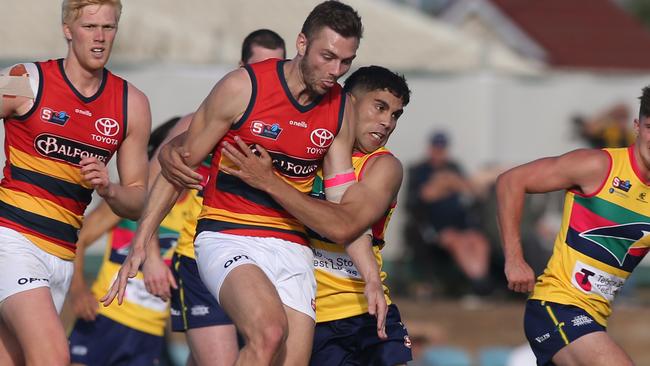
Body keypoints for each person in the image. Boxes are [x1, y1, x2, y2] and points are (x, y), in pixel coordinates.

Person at [103, 2, 364, 365]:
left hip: (292, 244)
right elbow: (177, 166)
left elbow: (340, 208)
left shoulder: (341, 108)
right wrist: (141, 242)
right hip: (227, 234)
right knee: (269, 332)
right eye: (328, 56)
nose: (335, 71)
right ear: (301, 44)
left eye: (346, 62)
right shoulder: (243, 88)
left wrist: (370, 278)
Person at [0, 0, 150, 364]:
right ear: (68, 30)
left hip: (64, 253)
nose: (99, 38)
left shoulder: (132, 103)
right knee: (53, 356)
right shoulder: (24, 77)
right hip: (13, 240)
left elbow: (136, 200)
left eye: (108, 28)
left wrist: (108, 187)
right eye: (89, 27)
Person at [496, 86, 650, 365]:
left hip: (594, 319)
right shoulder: (598, 166)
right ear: (637, 127)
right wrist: (514, 259)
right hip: (556, 307)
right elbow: (511, 181)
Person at [167, 29, 286, 366]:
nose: (266, 75)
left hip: (261, 259)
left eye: (275, 66)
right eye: (258, 66)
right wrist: (147, 251)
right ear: (240, 66)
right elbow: (159, 175)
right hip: (199, 255)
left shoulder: (290, 126)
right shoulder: (203, 120)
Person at [305, 66, 413, 365]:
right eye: (380, 107)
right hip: (313, 314)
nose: (387, 122)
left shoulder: (384, 166)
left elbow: (347, 225)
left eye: (395, 115)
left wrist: (271, 184)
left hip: (369, 307)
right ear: (349, 103)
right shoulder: (307, 150)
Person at [68, 117, 184, 366]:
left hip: (150, 331)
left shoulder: (196, 209)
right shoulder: (132, 199)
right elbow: (79, 238)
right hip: (103, 317)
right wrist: (77, 291)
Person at [405, 131, 492, 296]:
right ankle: (478, 284)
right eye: (436, 148)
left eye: (442, 148)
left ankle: (481, 280)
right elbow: (423, 196)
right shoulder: (419, 170)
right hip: (435, 225)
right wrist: (446, 184)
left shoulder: (454, 167)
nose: (439, 152)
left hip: (461, 222)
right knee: (458, 243)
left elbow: (470, 190)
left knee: (479, 242)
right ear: (430, 148)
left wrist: (448, 183)